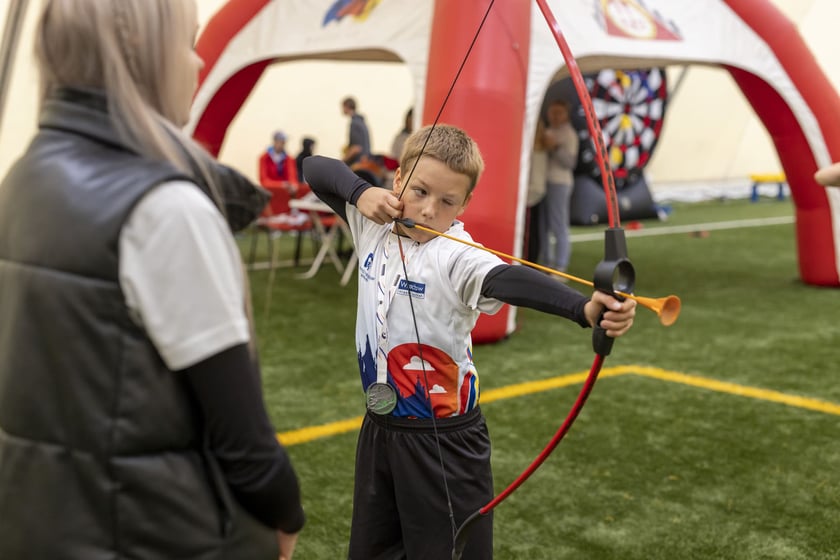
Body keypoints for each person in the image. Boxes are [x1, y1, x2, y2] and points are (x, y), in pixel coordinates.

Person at [0, 1, 304, 559]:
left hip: (43, 523)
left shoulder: (23, 177)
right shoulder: (165, 207)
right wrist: (285, 513)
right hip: (148, 532)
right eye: (187, 43)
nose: (196, 63)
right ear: (139, 50)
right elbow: (243, 442)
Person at [303, 124, 636, 559]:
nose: (427, 211)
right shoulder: (371, 225)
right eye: (419, 191)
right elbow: (314, 168)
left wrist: (585, 309)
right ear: (399, 178)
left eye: (447, 202)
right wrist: (362, 193)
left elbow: (505, 278)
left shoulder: (458, 256)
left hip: (444, 445)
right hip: (381, 430)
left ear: (465, 204)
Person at [540, 98, 580, 272]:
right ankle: (547, 262)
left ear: (566, 114)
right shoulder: (549, 130)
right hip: (545, 182)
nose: (555, 116)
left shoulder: (569, 134)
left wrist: (555, 148)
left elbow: (570, 163)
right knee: (544, 224)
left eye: (559, 113)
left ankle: (560, 266)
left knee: (558, 224)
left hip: (560, 183)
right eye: (552, 112)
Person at [526, 118, 549, 263]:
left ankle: (531, 260)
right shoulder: (539, 150)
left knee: (531, 233)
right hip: (535, 193)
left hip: (533, 195)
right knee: (535, 231)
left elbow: (536, 180)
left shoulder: (537, 151)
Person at [259, 129, 300, 195]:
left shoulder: (288, 159)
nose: (283, 144)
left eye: (284, 142)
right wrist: (281, 184)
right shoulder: (264, 158)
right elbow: (264, 180)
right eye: (281, 142)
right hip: (269, 192)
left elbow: (292, 176)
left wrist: (293, 185)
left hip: (284, 193)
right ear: (275, 141)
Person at [341, 96, 371, 166]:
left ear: (346, 106)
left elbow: (356, 148)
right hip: (365, 161)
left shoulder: (354, 123)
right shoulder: (361, 121)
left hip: (358, 163)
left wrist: (342, 161)